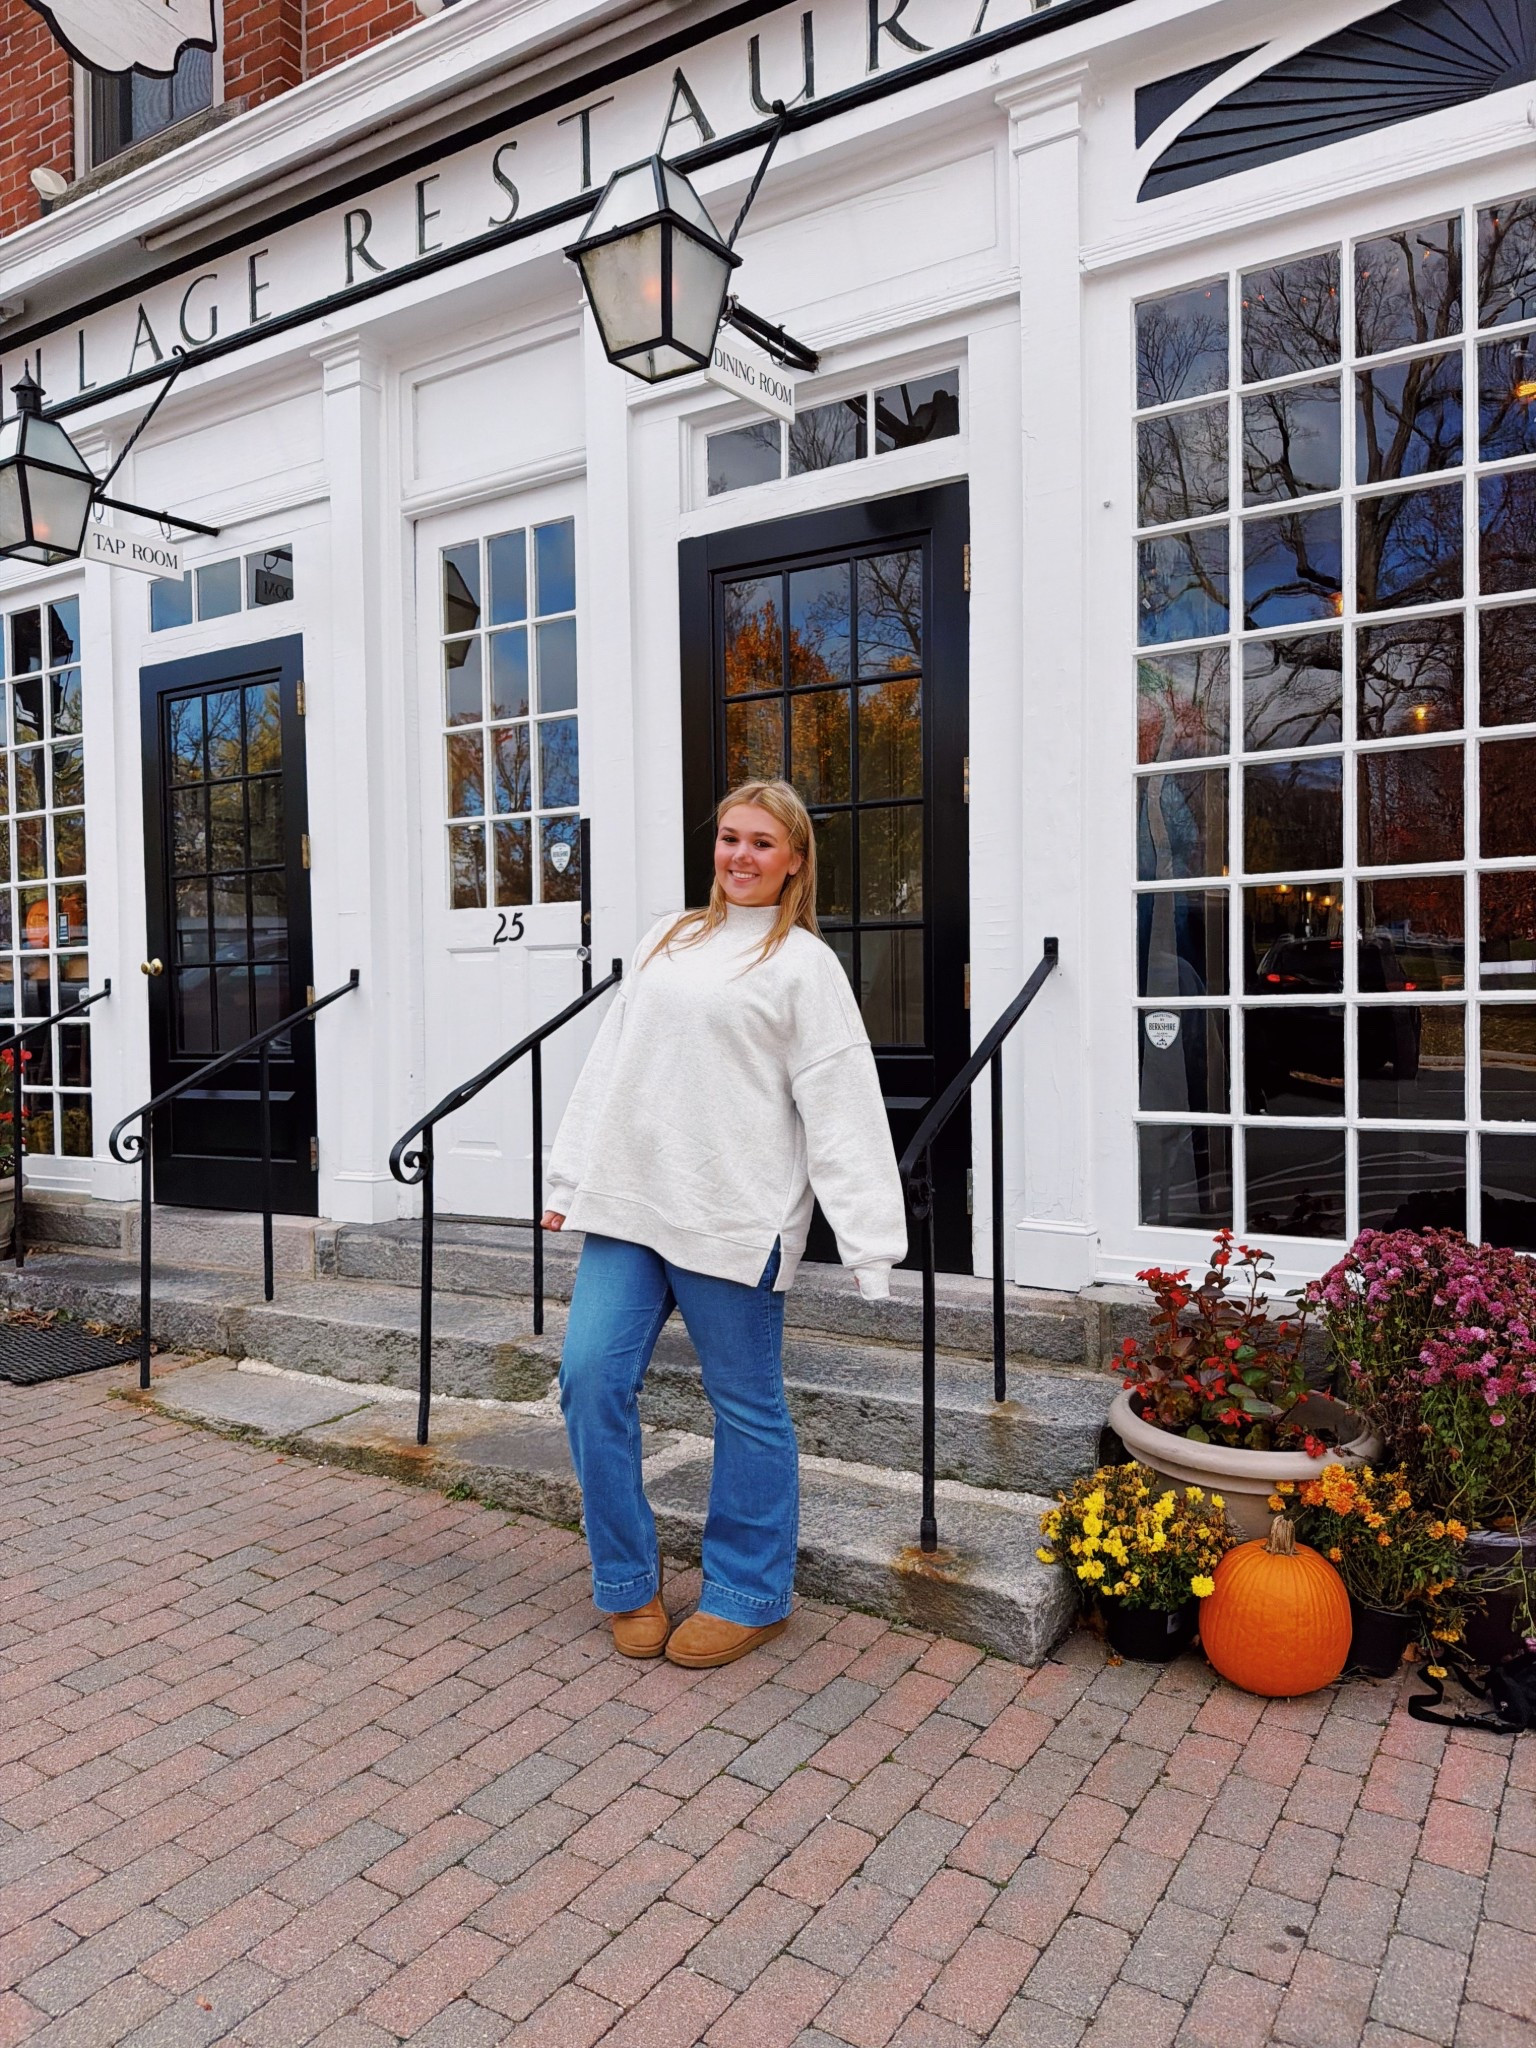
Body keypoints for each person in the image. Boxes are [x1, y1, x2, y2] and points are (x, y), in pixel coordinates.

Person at [542, 779, 908, 1668]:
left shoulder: (804, 967)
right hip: (631, 1204)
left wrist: (870, 1243)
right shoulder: (667, 938)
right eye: (731, 838)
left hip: (734, 1216)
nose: (741, 856)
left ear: (794, 862)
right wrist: (571, 1175)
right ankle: (627, 1582)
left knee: (746, 1407)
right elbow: (612, 1063)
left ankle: (749, 1595)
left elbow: (843, 1104)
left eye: (762, 843)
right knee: (589, 1379)